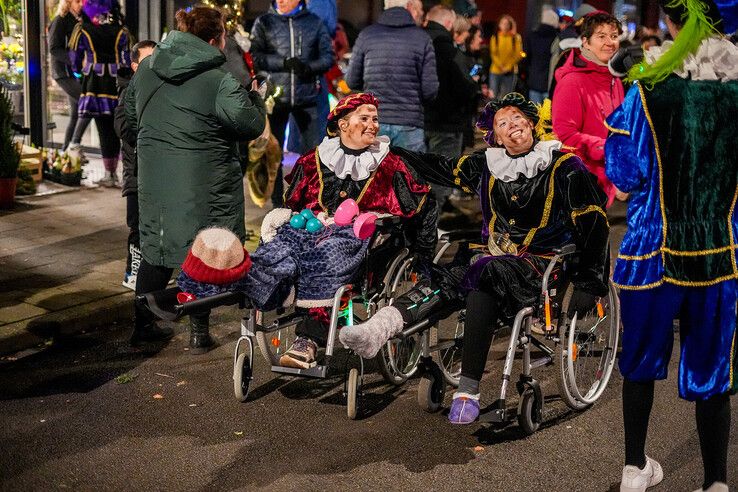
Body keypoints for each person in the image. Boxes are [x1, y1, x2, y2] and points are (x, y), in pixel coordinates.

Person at [340, 92, 610, 428]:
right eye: (502, 123)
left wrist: (590, 281)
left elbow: (594, 222)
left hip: (540, 267)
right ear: (494, 136)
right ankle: (377, 330)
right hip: (493, 261)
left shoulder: (564, 167)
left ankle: (468, 391)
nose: (512, 126)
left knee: (482, 269)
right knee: (446, 277)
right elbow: (440, 167)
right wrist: (389, 152)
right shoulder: (488, 164)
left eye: (517, 118)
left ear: (531, 123)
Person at [176, 93, 438, 369]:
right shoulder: (314, 159)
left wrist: (422, 253)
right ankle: (207, 283)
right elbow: (294, 203)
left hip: (355, 239)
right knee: (276, 248)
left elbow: (423, 205)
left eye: (375, 119)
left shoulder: (391, 164)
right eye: (365, 118)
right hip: (308, 228)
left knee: (327, 255)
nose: (373, 124)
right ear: (343, 124)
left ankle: (308, 340)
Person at [604, 0, 738, 490]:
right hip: (719, 256)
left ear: (673, 25)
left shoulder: (647, 89)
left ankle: (635, 468)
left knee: (639, 367)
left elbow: (624, 174)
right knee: (713, 374)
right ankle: (716, 481)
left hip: (651, 252)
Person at [124, 6, 266, 350]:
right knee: (202, 252)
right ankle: (199, 333)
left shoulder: (145, 70)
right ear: (216, 40)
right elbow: (250, 125)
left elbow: (129, 119)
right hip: (207, 182)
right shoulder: (219, 80)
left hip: (156, 181)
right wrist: (257, 99)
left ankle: (143, 328)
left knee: (156, 250)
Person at [250, 0, 334, 207]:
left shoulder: (314, 22)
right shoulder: (264, 22)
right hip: (275, 99)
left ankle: (309, 200)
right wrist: (283, 63)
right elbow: (256, 57)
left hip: (307, 99)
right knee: (273, 155)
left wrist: (308, 67)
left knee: (313, 155)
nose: (282, 0)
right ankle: (278, 204)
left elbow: (327, 57)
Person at [552, 11, 624, 206]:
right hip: (579, 186)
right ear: (585, 41)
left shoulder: (614, 79)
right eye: (601, 36)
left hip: (605, 183)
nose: (610, 42)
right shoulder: (572, 82)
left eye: (614, 36)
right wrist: (608, 148)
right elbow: (565, 136)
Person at [345, 0, 438, 152]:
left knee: (373, 173)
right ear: (409, 6)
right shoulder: (422, 39)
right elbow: (430, 90)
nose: (422, 13)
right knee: (409, 173)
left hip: (372, 122)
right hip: (409, 122)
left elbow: (351, 80)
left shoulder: (366, 36)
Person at [68, 0, 131, 187]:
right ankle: (116, 174)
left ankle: (109, 174)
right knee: (117, 128)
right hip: (116, 84)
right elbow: (127, 59)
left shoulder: (82, 30)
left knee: (103, 128)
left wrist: (80, 72)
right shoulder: (122, 31)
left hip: (95, 84)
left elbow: (75, 59)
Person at [423, 5, 479, 212]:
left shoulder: (418, 43)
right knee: (440, 178)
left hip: (418, 120)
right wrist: (474, 86)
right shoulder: (450, 51)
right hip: (447, 124)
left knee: (416, 177)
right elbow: (465, 88)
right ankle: (428, 233)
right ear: (449, 24)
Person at [115, 40, 156, 292]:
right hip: (136, 174)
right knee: (137, 227)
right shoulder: (128, 92)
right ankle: (132, 272)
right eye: (147, 60)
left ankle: (149, 274)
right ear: (134, 66)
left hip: (156, 173)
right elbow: (122, 128)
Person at [47, 0, 92, 151]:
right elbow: (53, 48)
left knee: (75, 114)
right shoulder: (60, 20)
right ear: (68, 2)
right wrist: (75, 61)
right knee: (88, 104)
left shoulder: (78, 20)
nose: (81, 4)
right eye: (77, 1)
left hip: (75, 73)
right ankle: (74, 145)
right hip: (63, 73)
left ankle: (66, 153)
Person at [524, 8, 559, 103]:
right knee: (548, 115)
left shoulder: (532, 36)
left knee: (535, 113)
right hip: (549, 84)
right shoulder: (556, 38)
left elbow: (526, 58)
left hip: (534, 81)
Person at [488, 14, 523, 98]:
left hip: (510, 71)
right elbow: (493, 54)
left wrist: (508, 67)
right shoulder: (495, 37)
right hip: (495, 70)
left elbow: (518, 54)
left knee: (506, 97)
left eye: (507, 23)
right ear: (499, 24)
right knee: (493, 96)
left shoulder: (515, 38)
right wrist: (501, 66)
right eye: (502, 23)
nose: (504, 26)